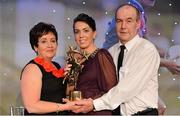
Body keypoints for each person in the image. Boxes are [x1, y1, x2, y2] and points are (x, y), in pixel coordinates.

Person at [72, 3, 160, 115]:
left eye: (129, 21)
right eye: (119, 21)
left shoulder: (146, 50)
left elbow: (127, 89)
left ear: (138, 24)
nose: (123, 26)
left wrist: (94, 104)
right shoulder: (111, 52)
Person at [20, 22, 77, 115]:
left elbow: (61, 93)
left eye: (53, 41)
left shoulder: (56, 66)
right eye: (44, 41)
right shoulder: (32, 69)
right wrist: (65, 107)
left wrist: (72, 75)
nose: (50, 45)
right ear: (35, 47)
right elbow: (31, 106)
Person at [68, 13, 118, 115]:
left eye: (86, 31)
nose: (81, 35)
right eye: (77, 32)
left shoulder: (101, 55)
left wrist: (90, 103)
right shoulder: (74, 60)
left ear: (94, 33)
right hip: (76, 112)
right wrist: (71, 76)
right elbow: (70, 93)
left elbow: (112, 91)